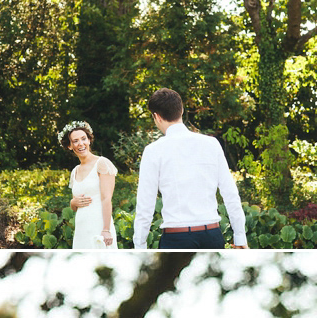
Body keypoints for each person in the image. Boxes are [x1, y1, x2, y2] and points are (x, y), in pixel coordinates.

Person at [132, 88, 248, 250]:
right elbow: (230, 194)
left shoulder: (153, 151)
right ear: (181, 110)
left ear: (157, 117)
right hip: (212, 235)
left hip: (176, 238)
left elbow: (145, 205)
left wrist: (140, 245)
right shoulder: (211, 144)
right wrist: (240, 237)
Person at [60, 120, 118, 249]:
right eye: (75, 141)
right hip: (81, 228)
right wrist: (72, 203)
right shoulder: (75, 171)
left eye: (83, 139)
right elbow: (77, 204)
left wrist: (106, 229)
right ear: (70, 146)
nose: (80, 143)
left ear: (89, 140)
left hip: (99, 225)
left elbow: (106, 198)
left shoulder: (102, 163)